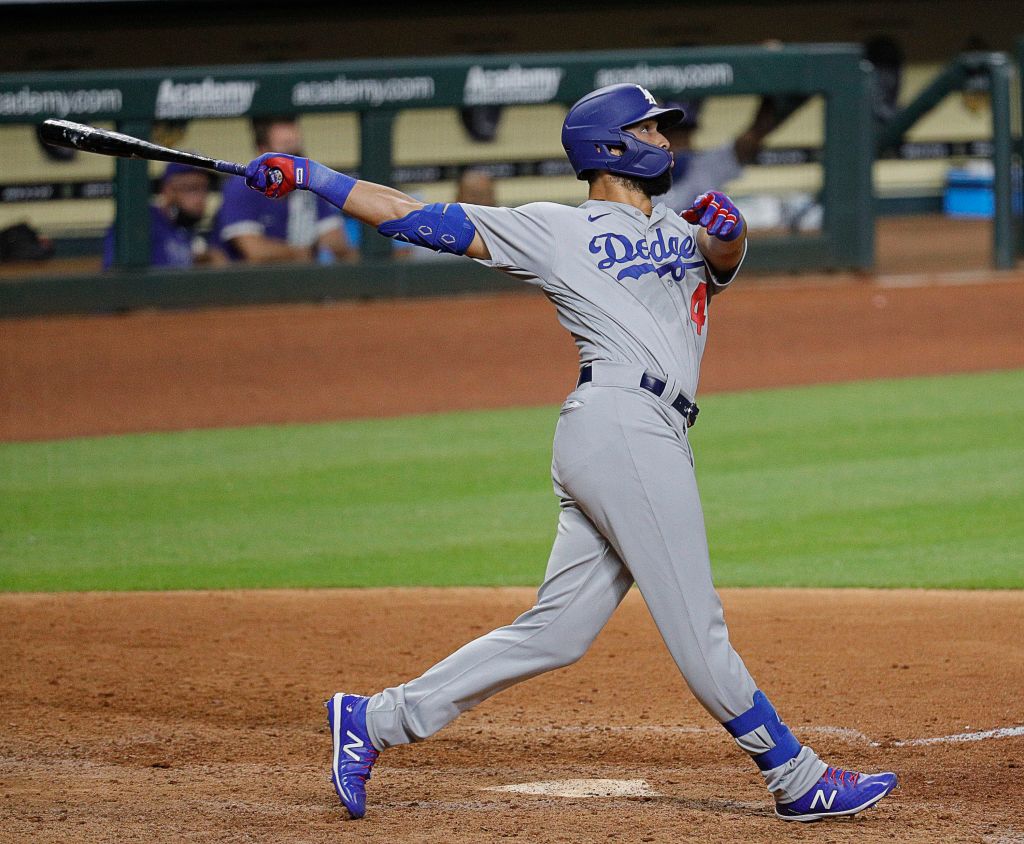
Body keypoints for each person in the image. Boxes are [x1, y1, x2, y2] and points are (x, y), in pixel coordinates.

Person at [241, 83, 897, 824]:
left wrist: (730, 230)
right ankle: (795, 776)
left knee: (555, 631)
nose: (668, 142)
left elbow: (721, 259)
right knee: (697, 624)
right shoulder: (557, 230)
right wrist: (311, 178)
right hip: (622, 425)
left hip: (635, 432)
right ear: (611, 146)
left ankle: (374, 721)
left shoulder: (684, 232)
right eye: (652, 131)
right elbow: (413, 218)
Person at [214, 115, 356, 263]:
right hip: (247, 282)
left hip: (299, 280)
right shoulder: (242, 186)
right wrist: (305, 253)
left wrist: (304, 253)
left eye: (296, 153)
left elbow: (337, 245)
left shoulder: (308, 184)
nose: (292, 163)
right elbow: (255, 252)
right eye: (286, 155)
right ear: (263, 152)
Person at [654, 94, 793, 213]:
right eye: (672, 133)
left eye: (684, 133)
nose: (679, 142)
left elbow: (749, 141)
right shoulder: (636, 171)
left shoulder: (705, 166)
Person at [102, 162, 226, 270]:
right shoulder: (141, 220)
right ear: (168, 190)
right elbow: (115, 277)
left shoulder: (185, 230)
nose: (201, 199)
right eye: (192, 188)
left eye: (205, 189)